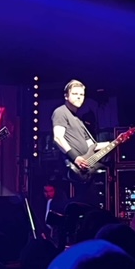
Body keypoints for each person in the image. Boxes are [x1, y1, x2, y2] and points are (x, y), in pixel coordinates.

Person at [51, 79, 110, 208]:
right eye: (75, 94)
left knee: (91, 205)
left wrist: (115, 142)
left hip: (85, 169)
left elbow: (92, 146)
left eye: (81, 94)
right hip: (74, 168)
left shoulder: (78, 120)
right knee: (83, 205)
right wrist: (75, 158)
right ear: (66, 96)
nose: (79, 97)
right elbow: (58, 138)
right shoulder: (61, 112)